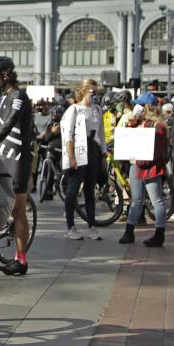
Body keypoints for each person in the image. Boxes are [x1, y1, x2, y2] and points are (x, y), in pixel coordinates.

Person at [0, 56, 35, 274]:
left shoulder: (18, 96)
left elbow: (8, 126)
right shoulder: (3, 97)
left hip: (17, 160)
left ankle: (21, 261)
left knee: (18, 210)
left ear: (5, 74)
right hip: (1, 157)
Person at [118, 104, 169, 247]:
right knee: (136, 200)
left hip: (150, 168)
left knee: (156, 201)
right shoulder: (141, 124)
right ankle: (129, 231)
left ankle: (159, 234)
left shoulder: (158, 126)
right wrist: (130, 125)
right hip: (137, 166)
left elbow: (156, 151)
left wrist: (139, 160)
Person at [61, 78, 105, 241]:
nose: (94, 95)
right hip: (79, 150)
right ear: (84, 91)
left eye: (96, 91)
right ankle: (70, 226)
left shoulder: (97, 109)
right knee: (73, 189)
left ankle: (92, 226)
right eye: (92, 91)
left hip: (93, 150)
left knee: (90, 190)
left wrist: (103, 154)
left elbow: (101, 133)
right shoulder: (74, 109)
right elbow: (68, 134)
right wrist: (71, 156)